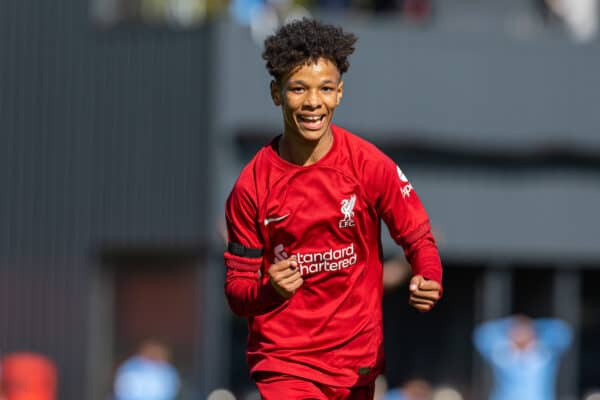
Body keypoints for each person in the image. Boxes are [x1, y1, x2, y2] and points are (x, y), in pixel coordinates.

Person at [223, 18, 443, 399]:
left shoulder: (369, 165)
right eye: (298, 89)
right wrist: (268, 289)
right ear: (276, 93)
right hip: (285, 361)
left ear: (339, 93)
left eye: (325, 88)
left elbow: (417, 235)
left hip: (356, 359)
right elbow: (237, 293)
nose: (313, 102)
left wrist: (429, 273)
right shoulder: (251, 187)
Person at [473, 315, 573, 400]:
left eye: (524, 332)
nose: (521, 335)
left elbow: (563, 330)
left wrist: (533, 324)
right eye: (517, 332)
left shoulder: (543, 353)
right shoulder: (503, 354)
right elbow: (481, 334)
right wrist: (510, 322)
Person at [113, 340, 180, 400]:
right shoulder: (130, 367)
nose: (155, 355)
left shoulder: (168, 371)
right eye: (152, 352)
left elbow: (170, 392)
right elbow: (122, 391)